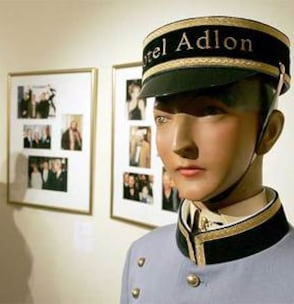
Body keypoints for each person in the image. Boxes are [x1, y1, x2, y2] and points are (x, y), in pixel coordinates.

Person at [121, 16, 294, 303]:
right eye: (163, 118)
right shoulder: (142, 255)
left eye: (209, 111)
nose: (179, 144)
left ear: (269, 131)